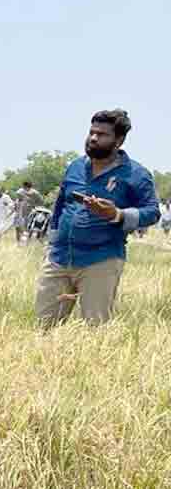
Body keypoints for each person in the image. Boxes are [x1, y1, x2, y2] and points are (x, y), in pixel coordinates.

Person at [35, 109, 159, 327]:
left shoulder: (136, 174)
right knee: (43, 328)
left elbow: (152, 212)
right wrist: (52, 239)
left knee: (95, 332)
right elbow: (60, 203)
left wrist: (118, 214)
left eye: (102, 134)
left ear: (118, 140)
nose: (93, 138)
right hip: (59, 258)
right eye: (92, 132)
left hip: (101, 261)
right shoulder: (75, 167)